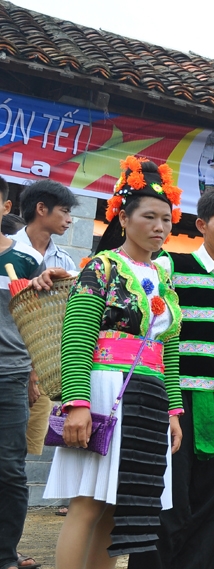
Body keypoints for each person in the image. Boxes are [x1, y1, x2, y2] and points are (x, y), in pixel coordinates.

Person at [44, 157, 184, 569]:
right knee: (88, 502)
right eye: (149, 217)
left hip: (150, 396)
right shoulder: (100, 268)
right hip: (106, 390)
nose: (159, 227)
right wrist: (78, 403)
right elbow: (78, 338)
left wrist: (174, 412)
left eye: (166, 219)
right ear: (123, 217)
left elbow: (170, 351)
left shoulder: (165, 278)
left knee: (117, 505)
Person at [125, 188, 214, 569]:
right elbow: (154, 328)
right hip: (179, 399)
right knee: (169, 504)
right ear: (202, 225)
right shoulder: (171, 266)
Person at [0, 176, 63, 569]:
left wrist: (37, 371)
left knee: (9, 467)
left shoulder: (26, 261)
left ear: (6, 206)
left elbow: (43, 324)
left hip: (10, 373)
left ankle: (4, 556)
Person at [12, 180, 81, 520]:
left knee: (15, 460)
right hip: (6, 367)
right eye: (65, 211)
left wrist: (39, 372)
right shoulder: (7, 249)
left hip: (37, 373)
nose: (69, 219)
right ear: (41, 209)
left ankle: (8, 547)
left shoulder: (64, 261)